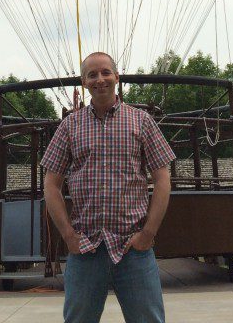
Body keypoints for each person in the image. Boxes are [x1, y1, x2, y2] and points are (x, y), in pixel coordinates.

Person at [41, 51, 175, 323]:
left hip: (133, 246)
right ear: (84, 82)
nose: (99, 79)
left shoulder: (142, 121)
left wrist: (148, 233)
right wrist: (68, 235)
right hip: (86, 246)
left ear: (117, 77)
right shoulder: (69, 126)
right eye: (92, 74)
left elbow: (163, 180)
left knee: (148, 319)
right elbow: (51, 184)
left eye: (105, 72)